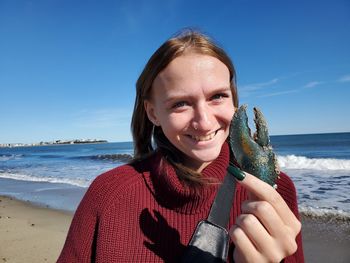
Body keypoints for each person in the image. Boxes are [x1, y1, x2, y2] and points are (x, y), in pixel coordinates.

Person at [57, 30, 304, 262]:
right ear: (153, 113)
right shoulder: (108, 193)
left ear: (233, 99)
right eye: (180, 104)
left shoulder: (274, 191)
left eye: (217, 96)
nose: (204, 122)